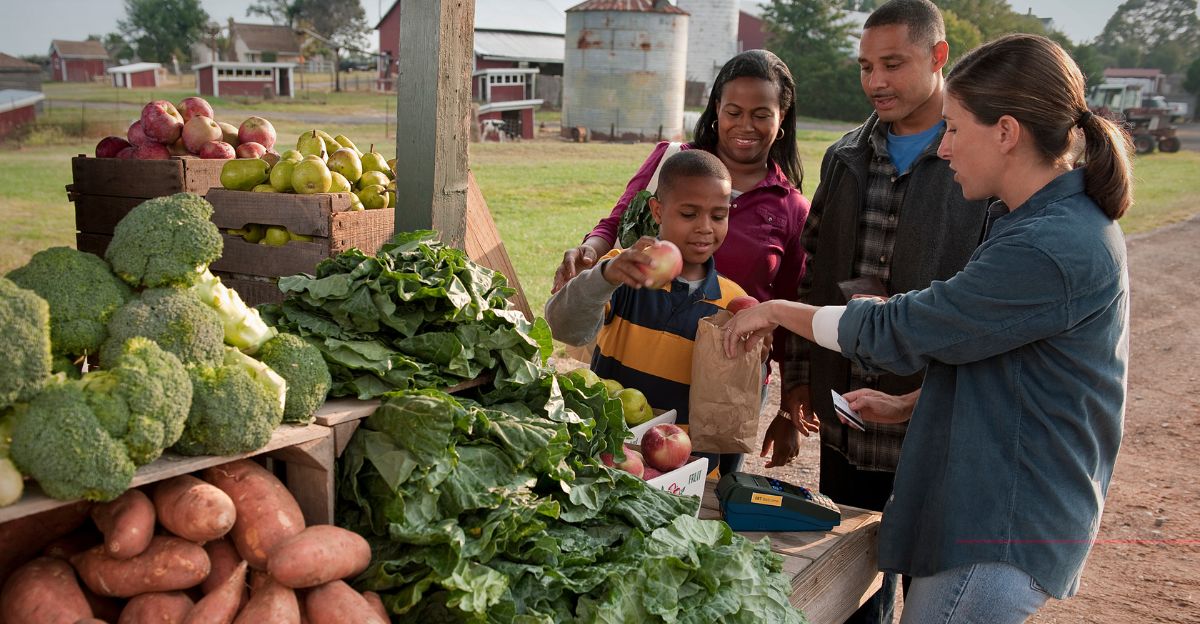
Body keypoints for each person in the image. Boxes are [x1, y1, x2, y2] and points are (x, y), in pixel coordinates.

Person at [724, 32, 1132, 623]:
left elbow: (902, 329)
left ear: (1006, 132)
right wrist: (911, 403)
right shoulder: (1041, 222)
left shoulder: (1048, 246)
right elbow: (1001, 355)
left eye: (956, 129)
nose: (944, 148)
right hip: (990, 513)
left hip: (997, 527)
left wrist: (776, 311)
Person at [779, 1, 989, 619]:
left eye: (893, 64)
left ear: (939, 56)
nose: (876, 81)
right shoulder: (843, 157)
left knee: (929, 586)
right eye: (865, 66)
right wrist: (800, 376)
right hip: (847, 416)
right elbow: (813, 275)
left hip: (936, 423)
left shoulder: (978, 160)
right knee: (852, 581)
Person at [552, 49, 811, 472]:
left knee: (706, 485)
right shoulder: (672, 162)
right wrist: (595, 261)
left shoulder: (791, 208)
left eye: (761, 114)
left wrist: (788, 404)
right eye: (733, 111)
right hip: (638, 334)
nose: (745, 125)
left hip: (724, 380)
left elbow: (790, 309)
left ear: (782, 119)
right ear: (716, 110)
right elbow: (616, 221)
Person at [544, 151, 753, 456]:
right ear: (657, 211)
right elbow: (564, 328)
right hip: (608, 452)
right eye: (689, 214)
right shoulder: (622, 271)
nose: (705, 227)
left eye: (718, 216)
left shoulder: (732, 301)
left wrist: (754, 352)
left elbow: (729, 397)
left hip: (684, 463)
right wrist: (605, 277)